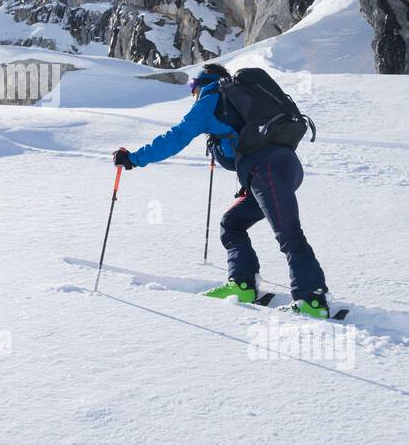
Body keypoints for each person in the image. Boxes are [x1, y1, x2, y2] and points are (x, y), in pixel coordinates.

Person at [113, 63, 331, 318]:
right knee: (232, 223)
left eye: (192, 88)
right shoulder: (240, 98)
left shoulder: (211, 98)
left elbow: (176, 137)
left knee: (288, 232)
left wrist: (134, 159)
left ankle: (311, 299)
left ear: (201, 82)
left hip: (266, 170)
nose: (193, 94)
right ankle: (242, 285)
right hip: (279, 169)